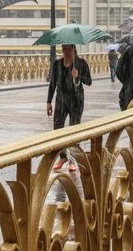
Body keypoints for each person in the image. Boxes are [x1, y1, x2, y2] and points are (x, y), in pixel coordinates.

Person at [46, 44, 92, 172]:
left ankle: (72, 159)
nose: (66, 51)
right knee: (58, 128)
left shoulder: (81, 63)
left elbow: (89, 81)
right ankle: (62, 156)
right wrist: (49, 102)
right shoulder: (57, 64)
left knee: (73, 129)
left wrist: (78, 76)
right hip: (61, 99)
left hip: (76, 100)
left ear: (74, 49)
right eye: (64, 48)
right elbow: (52, 83)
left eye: (69, 48)